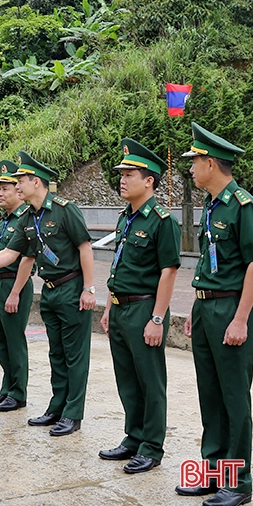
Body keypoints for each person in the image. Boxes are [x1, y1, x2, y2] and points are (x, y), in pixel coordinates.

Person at [174, 123, 253, 506]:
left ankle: (239, 481)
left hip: (231, 309)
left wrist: (241, 319)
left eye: (194, 162)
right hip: (206, 307)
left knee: (233, 398)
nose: (190, 169)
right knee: (210, 396)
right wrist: (198, 307)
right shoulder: (213, 204)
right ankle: (213, 472)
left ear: (210, 163)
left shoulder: (245, 205)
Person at [0, 151, 95, 437]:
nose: (17, 186)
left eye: (21, 181)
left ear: (37, 182)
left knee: (74, 355)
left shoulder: (65, 210)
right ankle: (57, 406)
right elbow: (10, 253)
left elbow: (85, 247)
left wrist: (89, 289)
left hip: (71, 288)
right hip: (51, 291)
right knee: (56, 353)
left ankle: (72, 413)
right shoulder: (29, 217)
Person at [98, 139, 180, 474]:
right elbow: (118, 266)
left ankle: (151, 447)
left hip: (145, 310)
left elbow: (169, 271)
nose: (122, 179)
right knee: (127, 379)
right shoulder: (126, 218)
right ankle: (133, 438)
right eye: (121, 173)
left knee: (150, 380)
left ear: (149, 180)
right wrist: (107, 307)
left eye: (129, 173)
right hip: (119, 308)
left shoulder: (162, 221)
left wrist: (157, 318)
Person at [0, 161, 35, 412]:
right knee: (0, 340)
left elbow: (27, 258)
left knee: (14, 341)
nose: (0, 194)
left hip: (14, 284)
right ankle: (7, 387)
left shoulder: (26, 218)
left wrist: (15, 293)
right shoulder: (5, 220)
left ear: (18, 191)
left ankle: (18, 392)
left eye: (6, 189)